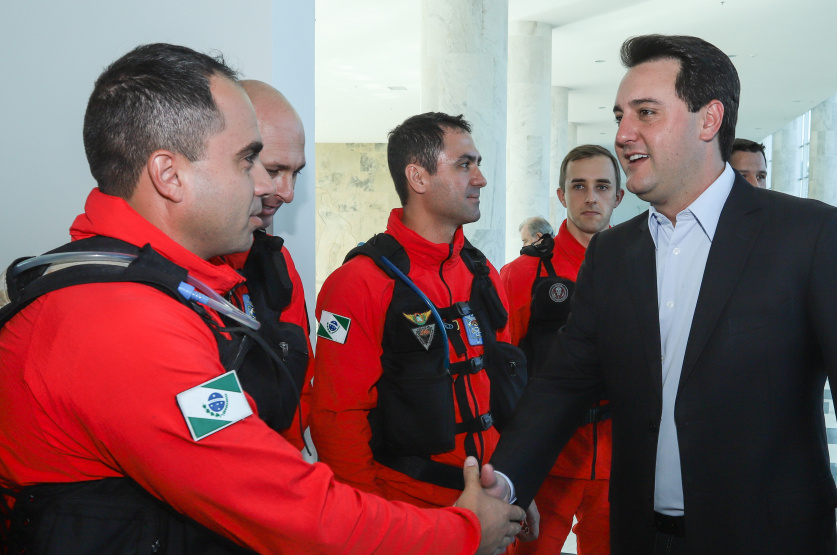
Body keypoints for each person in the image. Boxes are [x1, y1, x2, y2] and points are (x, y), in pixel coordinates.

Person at [0, 43, 524, 555]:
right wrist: (462, 533)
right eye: (247, 159)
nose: (270, 188)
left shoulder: (166, 289)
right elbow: (286, 508)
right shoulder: (120, 321)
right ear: (169, 175)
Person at [490, 34, 837, 554]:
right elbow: (561, 386)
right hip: (639, 537)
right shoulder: (613, 254)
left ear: (709, 120)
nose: (622, 134)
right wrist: (503, 483)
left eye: (646, 113)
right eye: (620, 116)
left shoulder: (810, 237)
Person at [310, 113, 536, 538]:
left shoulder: (482, 272)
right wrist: (369, 524)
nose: (481, 179)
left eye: (478, 163)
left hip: (491, 504)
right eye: (464, 164)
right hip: (408, 515)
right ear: (418, 177)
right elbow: (336, 417)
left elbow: (502, 388)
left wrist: (515, 483)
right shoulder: (357, 283)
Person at [500, 145, 622, 555]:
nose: (591, 198)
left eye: (602, 186)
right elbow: (500, 374)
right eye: (578, 186)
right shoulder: (524, 274)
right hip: (547, 459)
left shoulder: (644, 267)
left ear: (618, 196)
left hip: (619, 459)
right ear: (561, 195)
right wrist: (508, 467)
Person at [211, 80, 314, 452]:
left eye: (295, 173)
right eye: (273, 170)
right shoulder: (160, 271)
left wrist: (291, 466)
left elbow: (299, 384)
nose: (288, 193)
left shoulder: (276, 261)